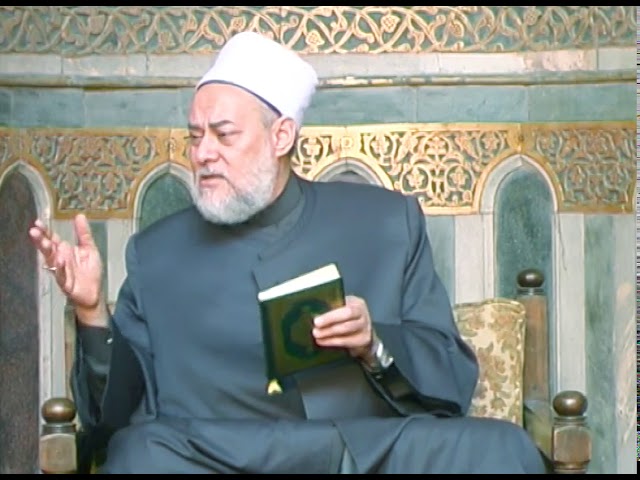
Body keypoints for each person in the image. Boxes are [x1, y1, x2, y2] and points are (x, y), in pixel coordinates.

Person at [29, 31, 546, 474]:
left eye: (223, 135)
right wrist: (90, 311)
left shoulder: (387, 223)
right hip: (218, 455)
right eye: (194, 137)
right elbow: (118, 418)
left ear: (281, 136)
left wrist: (374, 343)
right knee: (139, 454)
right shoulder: (156, 253)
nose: (203, 153)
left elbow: (449, 379)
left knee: (500, 448)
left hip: (359, 451)